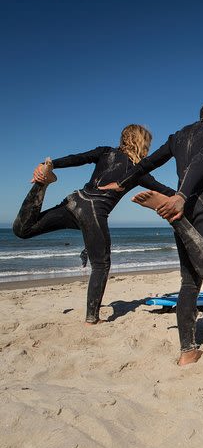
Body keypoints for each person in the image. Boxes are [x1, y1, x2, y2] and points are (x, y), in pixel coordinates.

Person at [99, 100, 203, 366]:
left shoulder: (178, 136)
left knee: (189, 283)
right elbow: (202, 160)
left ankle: (188, 352)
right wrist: (182, 198)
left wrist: (123, 183)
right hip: (201, 206)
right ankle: (176, 220)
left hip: (179, 204)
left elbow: (147, 163)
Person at [13, 125, 174, 324]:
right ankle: (92, 318)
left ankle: (43, 183)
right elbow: (166, 191)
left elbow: (77, 158)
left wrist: (50, 164)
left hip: (73, 203)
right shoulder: (138, 170)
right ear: (142, 143)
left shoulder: (105, 152)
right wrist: (186, 197)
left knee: (23, 230)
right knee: (101, 264)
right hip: (93, 213)